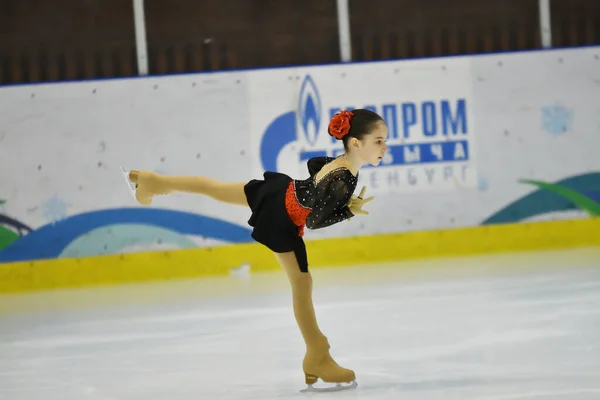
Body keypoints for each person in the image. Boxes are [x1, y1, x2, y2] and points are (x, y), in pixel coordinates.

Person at [123, 108, 388, 391]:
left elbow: (314, 172)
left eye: (384, 140)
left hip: (280, 193)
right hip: (283, 217)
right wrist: (347, 210)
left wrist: (341, 205)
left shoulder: (343, 164)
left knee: (212, 187)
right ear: (356, 143)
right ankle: (317, 356)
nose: (385, 147)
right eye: (379, 141)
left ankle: (152, 181)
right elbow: (314, 220)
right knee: (301, 282)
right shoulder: (345, 177)